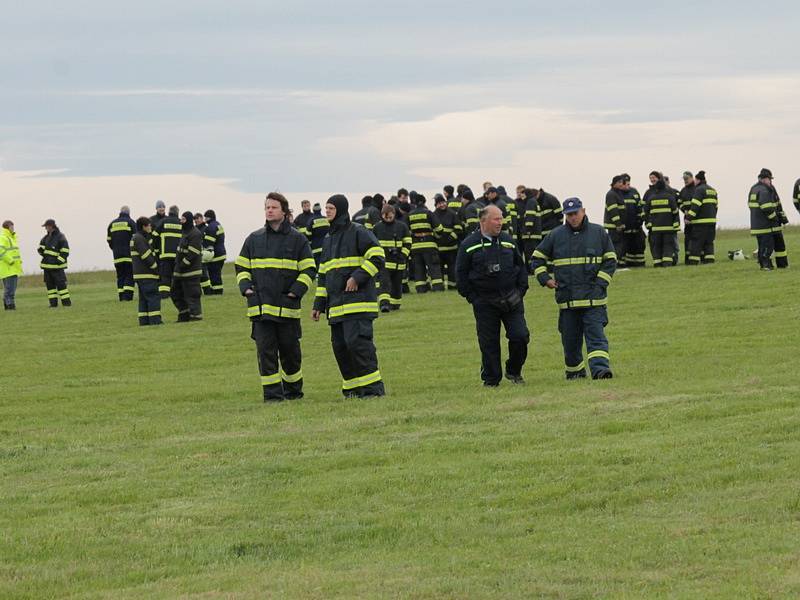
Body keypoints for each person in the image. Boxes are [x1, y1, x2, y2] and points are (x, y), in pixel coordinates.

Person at [236, 192, 316, 402]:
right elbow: (242, 267)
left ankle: (293, 392)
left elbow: (309, 270)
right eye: (266, 207)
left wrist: (295, 292)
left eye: (273, 207)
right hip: (261, 310)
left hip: (287, 309)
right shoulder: (254, 239)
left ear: (284, 211)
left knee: (291, 354)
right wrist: (247, 290)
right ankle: (272, 396)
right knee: (266, 354)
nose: (269, 210)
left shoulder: (297, 239)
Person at [532, 198, 616, 379]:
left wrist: (600, 285)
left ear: (583, 211)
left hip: (594, 301)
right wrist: (545, 278)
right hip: (567, 301)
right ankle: (574, 373)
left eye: (575, 213)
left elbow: (610, 261)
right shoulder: (555, 235)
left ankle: (601, 370)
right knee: (570, 342)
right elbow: (536, 258)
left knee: (596, 338)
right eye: (568, 214)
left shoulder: (599, 232)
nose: (572, 217)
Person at [312, 194, 386, 398]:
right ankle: (352, 390)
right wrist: (319, 304)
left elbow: (378, 256)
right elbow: (323, 274)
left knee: (359, 346)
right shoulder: (328, 238)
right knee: (341, 348)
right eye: (326, 208)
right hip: (336, 307)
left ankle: (373, 390)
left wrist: (357, 277)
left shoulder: (358, 231)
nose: (327, 211)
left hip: (359, 305)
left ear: (341, 210)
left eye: (331, 208)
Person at [456, 204, 529, 387]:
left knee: (520, 336)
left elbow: (521, 268)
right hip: (485, 302)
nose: (500, 222)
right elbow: (461, 276)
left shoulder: (508, 241)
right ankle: (491, 379)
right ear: (483, 221)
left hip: (512, 299)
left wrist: (520, 292)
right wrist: (474, 298)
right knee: (489, 343)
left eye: (501, 218)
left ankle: (514, 370)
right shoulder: (468, 245)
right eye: (496, 218)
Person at [372, 204, 411, 311]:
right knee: (384, 284)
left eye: (390, 217)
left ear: (394, 214)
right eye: (386, 217)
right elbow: (372, 244)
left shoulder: (402, 227)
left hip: (399, 263)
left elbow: (408, 243)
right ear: (381, 215)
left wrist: (402, 255)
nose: (388, 219)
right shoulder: (377, 228)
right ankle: (384, 304)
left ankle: (395, 304)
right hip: (383, 263)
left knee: (397, 286)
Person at [749, 168, 789, 270]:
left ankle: (780, 265)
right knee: (767, 247)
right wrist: (775, 219)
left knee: (775, 246)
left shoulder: (756, 188)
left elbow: (777, 204)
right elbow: (766, 207)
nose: (770, 181)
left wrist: (783, 218)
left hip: (762, 225)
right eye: (769, 179)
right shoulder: (763, 190)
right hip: (767, 225)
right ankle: (766, 265)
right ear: (763, 179)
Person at [171, 211, 204, 321]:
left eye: (183, 219)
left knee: (192, 295)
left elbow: (193, 253)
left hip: (191, 272)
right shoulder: (184, 232)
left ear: (189, 220)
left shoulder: (195, 234)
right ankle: (184, 315)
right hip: (180, 271)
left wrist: (182, 264)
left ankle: (195, 316)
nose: (181, 221)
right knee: (175, 292)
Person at [408, 193, 444, 292]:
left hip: (415, 247)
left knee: (418, 268)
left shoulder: (409, 215)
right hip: (429, 245)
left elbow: (407, 231)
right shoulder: (428, 213)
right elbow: (439, 229)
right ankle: (437, 287)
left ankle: (420, 288)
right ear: (424, 202)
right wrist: (436, 236)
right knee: (434, 267)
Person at [131, 216, 162, 325]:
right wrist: (156, 268)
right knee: (153, 297)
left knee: (143, 299)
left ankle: (144, 321)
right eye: (149, 225)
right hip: (147, 274)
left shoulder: (136, 238)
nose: (150, 227)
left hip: (140, 275)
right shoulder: (139, 239)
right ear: (144, 227)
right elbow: (146, 256)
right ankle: (155, 321)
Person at [642, 177, 680, 266]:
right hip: (668, 229)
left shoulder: (651, 198)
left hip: (655, 230)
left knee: (657, 247)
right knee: (668, 246)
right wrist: (676, 225)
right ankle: (667, 263)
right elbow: (675, 212)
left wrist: (648, 223)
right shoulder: (670, 198)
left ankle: (657, 264)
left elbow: (644, 213)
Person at [685, 170, 718, 264]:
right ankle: (709, 260)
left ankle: (693, 262)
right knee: (709, 243)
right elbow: (716, 207)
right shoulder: (713, 190)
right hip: (711, 222)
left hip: (700, 223)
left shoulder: (699, 190)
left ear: (698, 180)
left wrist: (688, 218)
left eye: (695, 180)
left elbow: (695, 206)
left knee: (696, 243)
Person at [38, 219, 71, 307]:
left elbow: (65, 251)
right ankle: (53, 304)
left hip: (57, 268)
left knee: (61, 286)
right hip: (47, 267)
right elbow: (41, 248)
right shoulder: (45, 238)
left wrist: (58, 261)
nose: (45, 228)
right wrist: (40, 251)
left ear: (51, 226)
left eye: (47, 226)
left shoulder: (61, 237)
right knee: (50, 288)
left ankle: (66, 303)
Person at [106, 205, 136, 301]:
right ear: (128, 213)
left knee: (120, 275)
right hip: (129, 255)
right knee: (129, 274)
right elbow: (136, 239)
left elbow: (109, 240)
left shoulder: (112, 224)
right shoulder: (131, 223)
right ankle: (127, 296)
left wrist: (115, 248)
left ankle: (121, 296)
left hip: (117, 255)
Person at [434, 193, 462, 289]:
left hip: (451, 247)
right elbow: (432, 229)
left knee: (452, 268)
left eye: (443, 202)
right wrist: (438, 238)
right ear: (436, 205)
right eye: (439, 203)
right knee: (439, 269)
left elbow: (458, 228)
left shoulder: (452, 214)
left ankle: (452, 286)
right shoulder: (433, 215)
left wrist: (451, 238)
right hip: (439, 248)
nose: (442, 205)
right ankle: (440, 286)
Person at [155, 205, 181, 297]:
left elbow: (154, 235)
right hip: (178, 255)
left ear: (169, 212)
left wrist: (156, 250)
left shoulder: (163, 221)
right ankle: (176, 294)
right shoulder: (180, 223)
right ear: (177, 212)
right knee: (177, 276)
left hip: (164, 255)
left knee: (165, 276)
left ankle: (164, 295)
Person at [620, 174, 646, 267]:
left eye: (628, 183)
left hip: (636, 226)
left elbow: (640, 207)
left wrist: (640, 220)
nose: (628, 186)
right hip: (624, 227)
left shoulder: (634, 192)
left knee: (638, 245)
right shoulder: (617, 193)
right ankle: (625, 264)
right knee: (624, 246)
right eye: (625, 184)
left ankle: (639, 263)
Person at [203, 209, 227, 294]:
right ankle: (217, 290)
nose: (204, 219)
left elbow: (209, 243)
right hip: (222, 253)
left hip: (216, 256)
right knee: (217, 274)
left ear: (208, 218)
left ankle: (217, 291)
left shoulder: (210, 227)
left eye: (205, 217)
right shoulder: (218, 225)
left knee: (214, 274)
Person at [0, 220, 22, 310]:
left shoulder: (12, 238)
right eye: (12, 227)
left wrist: (19, 261)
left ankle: (9, 305)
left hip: (13, 268)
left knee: (10, 289)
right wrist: (10, 260)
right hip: (8, 268)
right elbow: (1, 251)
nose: (13, 228)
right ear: (7, 227)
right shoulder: (3, 237)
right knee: (9, 290)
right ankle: (10, 306)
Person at [604, 175, 626, 264]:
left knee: (619, 245)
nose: (621, 184)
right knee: (616, 245)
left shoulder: (617, 193)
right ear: (614, 183)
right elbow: (613, 211)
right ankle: (614, 263)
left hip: (617, 225)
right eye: (619, 182)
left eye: (622, 182)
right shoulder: (611, 194)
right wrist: (618, 224)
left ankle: (619, 262)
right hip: (614, 226)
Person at [520, 187, 543, 267]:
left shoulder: (530, 202)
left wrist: (527, 231)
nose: (522, 197)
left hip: (530, 235)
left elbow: (530, 218)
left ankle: (531, 269)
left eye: (523, 195)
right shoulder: (534, 202)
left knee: (529, 253)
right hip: (535, 234)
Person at [678, 171, 695, 265]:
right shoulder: (683, 190)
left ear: (692, 178)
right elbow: (679, 202)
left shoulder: (697, 189)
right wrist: (684, 209)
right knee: (687, 239)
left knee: (696, 238)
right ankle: (688, 259)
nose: (685, 181)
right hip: (687, 219)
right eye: (684, 179)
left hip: (697, 219)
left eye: (687, 179)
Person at [309, 202, 329, 267]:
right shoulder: (326, 219)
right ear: (320, 210)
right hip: (326, 247)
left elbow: (308, 234)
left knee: (318, 267)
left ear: (313, 210)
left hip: (315, 248)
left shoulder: (312, 221)